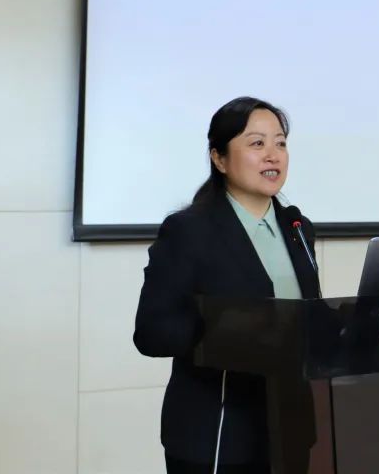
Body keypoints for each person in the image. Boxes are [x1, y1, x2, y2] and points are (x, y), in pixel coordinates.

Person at [134, 96, 320, 474]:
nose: (273, 155)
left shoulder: (297, 228)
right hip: (218, 433)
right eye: (257, 143)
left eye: (280, 143)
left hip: (290, 428)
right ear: (219, 159)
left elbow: (304, 319)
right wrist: (222, 328)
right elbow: (151, 333)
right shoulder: (189, 231)